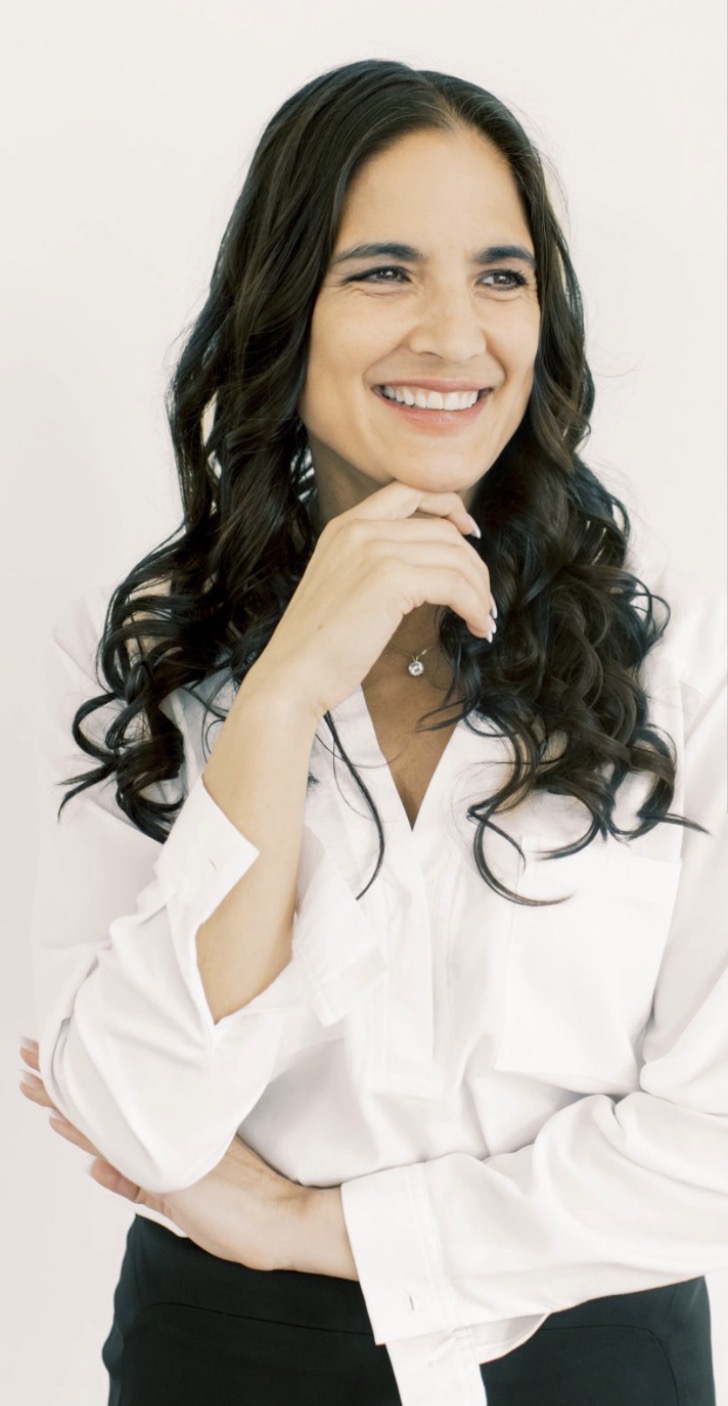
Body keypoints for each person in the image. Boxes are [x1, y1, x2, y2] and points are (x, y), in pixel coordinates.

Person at [19, 57, 726, 1406]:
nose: (457, 335)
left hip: (596, 1365)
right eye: (385, 271)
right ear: (283, 306)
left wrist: (313, 1225)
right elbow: (138, 1112)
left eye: (502, 276)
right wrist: (282, 693)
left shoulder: (685, 662)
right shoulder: (140, 655)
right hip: (219, 1360)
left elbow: (716, 1149)